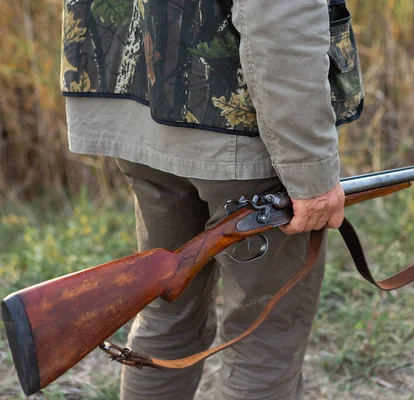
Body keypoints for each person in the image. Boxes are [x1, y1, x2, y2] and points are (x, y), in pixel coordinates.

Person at [61, 0, 363, 398]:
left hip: (134, 108)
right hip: (239, 134)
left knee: (167, 314)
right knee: (264, 337)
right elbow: (279, 17)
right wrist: (309, 170)